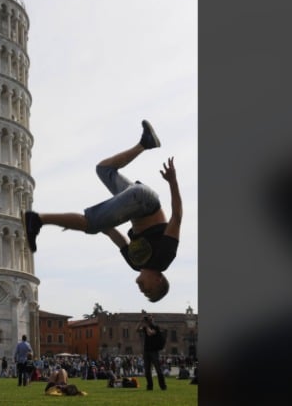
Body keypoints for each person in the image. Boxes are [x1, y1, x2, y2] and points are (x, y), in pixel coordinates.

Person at [22, 120, 182, 303]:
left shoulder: (135, 263)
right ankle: (37, 219)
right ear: (158, 279)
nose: (143, 291)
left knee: (104, 169)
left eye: (145, 294)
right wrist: (173, 182)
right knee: (91, 224)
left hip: (135, 203)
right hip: (146, 202)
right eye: (150, 291)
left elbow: (116, 237)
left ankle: (145, 143)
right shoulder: (164, 259)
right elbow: (177, 218)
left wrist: (78, 224)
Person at [137, 314, 167, 391]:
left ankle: (163, 386)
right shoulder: (145, 327)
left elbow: (150, 333)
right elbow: (137, 330)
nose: (149, 321)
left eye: (150, 319)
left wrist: (146, 325)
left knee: (158, 369)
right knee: (147, 370)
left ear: (153, 319)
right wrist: (140, 322)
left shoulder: (156, 327)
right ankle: (149, 386)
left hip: (154, 351)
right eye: (148, 319)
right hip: (146, 351)